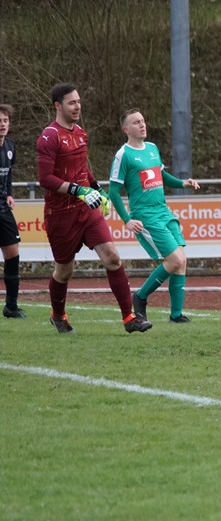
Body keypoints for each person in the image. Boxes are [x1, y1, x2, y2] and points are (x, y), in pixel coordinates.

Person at [36, 83, 151, 334]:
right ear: (58, 106)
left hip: (86, 209)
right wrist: (79, 190)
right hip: (60, 214)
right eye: (71, 103)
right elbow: (45, 178)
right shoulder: (49, 136)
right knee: (64, 271)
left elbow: (82, 169)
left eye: (78, 101)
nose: (77, 106)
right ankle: (58, 315)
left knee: (112, 256)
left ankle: (129, 317)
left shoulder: (80, 133)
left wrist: (97, 188)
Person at [108, 109, 199, 324]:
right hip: (145, 216)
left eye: (143, 120)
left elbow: (161, 175)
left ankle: (176, 315)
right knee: (175, 260)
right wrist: (127, 220)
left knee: (181, 261)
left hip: (163, 211)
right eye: (136, 122)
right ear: (126, 129)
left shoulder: (152, 148)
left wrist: (182, 183)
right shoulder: (123, 155)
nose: (142, 125)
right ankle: (140, 297)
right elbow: (113, 191)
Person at [0, 103, 26, 318]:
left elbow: (8, 174)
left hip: (3, 208)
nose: (2, 124)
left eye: (5, 120)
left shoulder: (10, 146)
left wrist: (9, 193)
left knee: (13, 254)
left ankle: (11, 306)